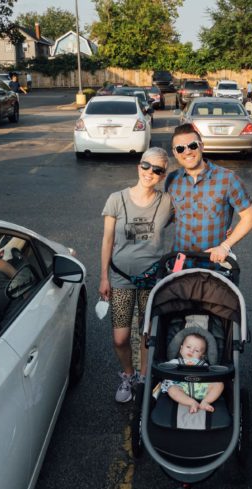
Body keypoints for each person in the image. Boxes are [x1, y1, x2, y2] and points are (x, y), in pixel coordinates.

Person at [100, 147, 174, 404]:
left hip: (151, 280)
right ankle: (127, 375)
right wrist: (104, 277)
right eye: (146, 166)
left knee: (146, 332)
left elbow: (194, 214)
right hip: (121, 278)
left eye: (157, 170)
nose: (150, 173)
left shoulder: (167, 202)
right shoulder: (116, 199)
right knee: (120, 337)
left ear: (163, 175)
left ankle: (143, 378)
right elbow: (107, 240)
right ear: (138, 166)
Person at [165, 124, 252, 265]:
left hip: (214, 263)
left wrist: (225, 246)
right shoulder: (172, 180)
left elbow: (250, 218)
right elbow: (170, 215)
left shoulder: (228, 179)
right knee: (175, 287)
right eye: (180, 148)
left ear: (202, 146)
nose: (187, 152)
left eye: (192, 146)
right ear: (175, 153)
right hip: (180, 261)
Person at [161, 332, 223, 413]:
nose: (192, 350)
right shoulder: (174, 362)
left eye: (196, 350)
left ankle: (206, 401)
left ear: (202, 356)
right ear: (181, 349)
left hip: (201, 388)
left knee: (219, 384)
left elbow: (211, 375)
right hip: (182, 388)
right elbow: (163, 369)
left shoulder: (204, 365)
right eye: (188, 347)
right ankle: (191, 402)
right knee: (172, 389)